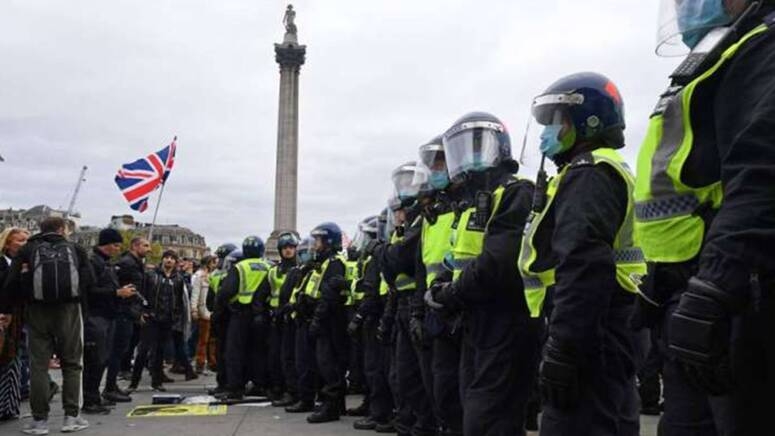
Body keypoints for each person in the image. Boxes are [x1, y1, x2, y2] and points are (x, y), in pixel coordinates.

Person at [634, 1, 775, 434]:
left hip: (736, 291)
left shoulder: (763, 47)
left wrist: (715, 284)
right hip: (690, 288)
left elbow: (762, 171)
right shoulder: (719, 58)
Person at [517, 74, 645, 435]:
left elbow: (583, 265)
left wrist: (564, 347)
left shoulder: (590, 174)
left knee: (577, 423)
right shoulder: (595, 170)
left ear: (588, 120)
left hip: (594, 328)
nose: (548, 132)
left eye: (557, 120)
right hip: (609, 322)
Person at [426, 111, 538, 436]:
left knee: (489, 417)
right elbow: (458, 259)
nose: (469, 160)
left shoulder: (517, 193)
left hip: (509, 319)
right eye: (462, 150)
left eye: (478, 147)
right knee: (466, 405)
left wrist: (449, 293)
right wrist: (440, 283)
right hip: (476, 321)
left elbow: (497, 265)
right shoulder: (475, 205)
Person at [1, 217, 94, 434]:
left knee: (38, 365)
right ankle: (71, 417)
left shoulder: (28, 250)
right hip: (69, 310)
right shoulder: (75, 249)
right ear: (62, 229)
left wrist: (7, 310)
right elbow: (89, 279)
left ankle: (39, 421)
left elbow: (11, 283)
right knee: (72, 363)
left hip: (37, 310)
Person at [379, 162, 437, 436]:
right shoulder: (406, 229)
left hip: (422, 304)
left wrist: (387, 252)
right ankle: (410, 425)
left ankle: (422, 425)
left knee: (420, 377)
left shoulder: (423, 222)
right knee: (402, 376)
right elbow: (390, 269)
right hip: (405, 306)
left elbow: (398, 260)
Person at [413, 136, 466, 436]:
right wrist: (417, 313)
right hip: (435, 310)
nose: (435, 170)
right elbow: (423, 269)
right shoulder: (430, 215)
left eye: (440, 164)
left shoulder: (470, 203)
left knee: (465, 391)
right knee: (441, 387)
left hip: (463, 308)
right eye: (432, 165)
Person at [81, 228, 136, 415]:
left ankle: (95, 397)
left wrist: (119, 291)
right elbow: (89, 291)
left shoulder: (105, 263)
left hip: (108, 316)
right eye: (116, 245)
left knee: (102, 359)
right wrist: (116, 293)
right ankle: (90, 400)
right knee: (95, 361)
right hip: (96, 317)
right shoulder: (93, 263)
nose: (118, 249)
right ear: (106, 244)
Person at [349, 215, 395, 431]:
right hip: (376, 316)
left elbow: (372, 293)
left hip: (375, 317)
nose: (362, 242)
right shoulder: (371, 259)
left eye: (366, 237)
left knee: (376, 368)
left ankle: (379, 414)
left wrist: (359, 317)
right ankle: (372, 407)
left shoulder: (377, 258)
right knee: (371, 368)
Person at [303, 222, 350, 423]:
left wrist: (318, 320)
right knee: (328, 363)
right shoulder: (326, 263)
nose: (315, 245)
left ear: (329, 241)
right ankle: (336, 405)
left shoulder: (334, 263)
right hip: (328, 319)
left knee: (329, 364)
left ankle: (331, 406)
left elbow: (329, 295)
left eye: (319, 240)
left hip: (331, 321)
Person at [216, 236, 272, 400]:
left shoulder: (240, 267)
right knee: (259, 351)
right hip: (264, 314)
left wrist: (224, 306)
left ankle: (235, 388)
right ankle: (260, 384)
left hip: (241, 314)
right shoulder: (269, 265)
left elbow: (226, 291)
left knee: (235, 352)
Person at [128, 250, 187, 392]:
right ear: (162, 260)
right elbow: (140, 293)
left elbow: (179, 300)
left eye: (172, 258)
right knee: (143, 351)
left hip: (167, 319)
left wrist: (176, 317)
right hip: (151, 317)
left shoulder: (178, 279)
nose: (169, 260)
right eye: (166, 257)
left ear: (175, 262)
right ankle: (134, 383)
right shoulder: (151, 275)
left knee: (159, 352)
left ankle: (157, 381)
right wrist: (142, 312)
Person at [104, 237, 150, 403]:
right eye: (145, 245)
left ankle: (112, 384)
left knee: (123, 349)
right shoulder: (127, 263)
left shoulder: (135, 263)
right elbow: (122, 289)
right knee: (117, 351)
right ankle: (109, 387)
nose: (148, 249)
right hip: (124, 312)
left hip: (131, 311)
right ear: (135, 246)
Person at [255, 232, 299, 402]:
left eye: (291, 247)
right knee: (274, 356)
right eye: (285, 248)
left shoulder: (300, 270)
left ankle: (291, 390)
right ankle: (277, 387)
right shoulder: (273, 272)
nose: (288, 251)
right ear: (280, 250)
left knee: (290, 357)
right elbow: (261, 294)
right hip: (276, 318)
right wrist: (260, 314)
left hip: (292, 318)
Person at [0, 228, 30, 422]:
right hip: (5, 316)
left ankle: (9, 406)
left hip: (19, 318)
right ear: (8, 242)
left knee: (14, 361)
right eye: (20, 240)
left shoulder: (24, 264)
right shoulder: (4, 264)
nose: (25, 244)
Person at [206, 243, 237, 395]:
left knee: (223, 352)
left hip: (221, 316)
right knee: (224, 352)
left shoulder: (217, 274)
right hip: (229, 315)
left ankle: (224, 384)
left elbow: (210, 300)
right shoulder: (227, 273)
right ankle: (224, 383)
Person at [190, 255, 216, 374]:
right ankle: (200, 363)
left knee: (212, 339)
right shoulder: (199, 276)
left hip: (212, 311)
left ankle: (212, 362)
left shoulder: (213, 276)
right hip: (203, 310)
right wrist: (194, 309)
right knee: (203, 339)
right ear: (208, 264)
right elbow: (195, 293)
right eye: (213, 263)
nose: (215, 265)